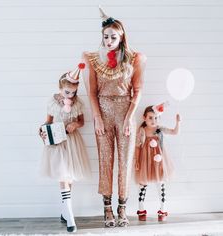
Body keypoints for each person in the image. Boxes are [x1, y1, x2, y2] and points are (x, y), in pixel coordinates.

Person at [82, 7, 147, 227]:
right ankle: (107, 208)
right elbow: (91, 92)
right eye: (106, 37)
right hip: (103, 110)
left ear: (121, 37)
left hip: (125, 111)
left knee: (125, 160)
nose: (109, 40)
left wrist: (130, 117)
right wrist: (97, 118)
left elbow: (137, 91)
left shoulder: (134, 59)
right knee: (105, 159)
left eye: (113, 37)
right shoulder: (93, 59)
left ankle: (122, 208)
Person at [39, 63, 91, 233]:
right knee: (63, 176)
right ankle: (70, 215)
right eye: (67, 92)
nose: (71, 95)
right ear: (60, 88)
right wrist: (42, 131)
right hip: (58, 141)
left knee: (69, 177)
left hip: (73, 142)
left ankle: (64, 212)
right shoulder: (53, 102)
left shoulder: (77, 103)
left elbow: (82, 121)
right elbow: (48, 121)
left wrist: (76, 124)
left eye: (73, 92)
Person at [135, 103, 180, 221]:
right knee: (143, 183)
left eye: (155, 117)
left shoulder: (159, 129)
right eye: (150, 117)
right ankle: (141, 209)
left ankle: (163, 209)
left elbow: (174, 132)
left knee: (161, 182)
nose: (153, 120)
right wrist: (137, 160)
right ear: (144, 118)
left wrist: (178, 122)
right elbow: (138, 146)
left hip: (160, 159)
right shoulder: (142, 130)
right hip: (145, 160)